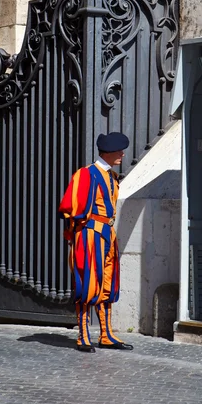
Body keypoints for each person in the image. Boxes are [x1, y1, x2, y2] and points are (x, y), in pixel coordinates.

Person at [59, 132, 134, 353]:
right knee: (88, 283)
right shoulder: (85, 174)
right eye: (119, 151)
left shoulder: (112, 176)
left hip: (108, 234)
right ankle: (83, 335)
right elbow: (71, 208)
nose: (122, 154)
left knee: (108, 283)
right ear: (109, 152)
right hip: (90, 233)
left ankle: (106, 334)